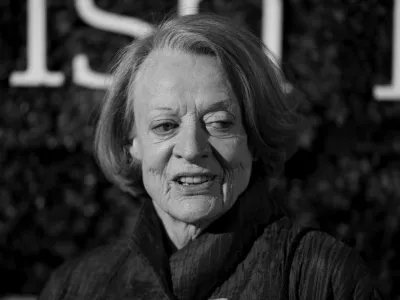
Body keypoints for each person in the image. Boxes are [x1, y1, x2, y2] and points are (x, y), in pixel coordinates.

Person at [39, 13, 383, 300]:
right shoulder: (76, 288)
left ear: (254, 135)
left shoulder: (322, 279)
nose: (191, 148)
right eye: (165, 125)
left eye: (219, 123)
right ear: (132, 143)